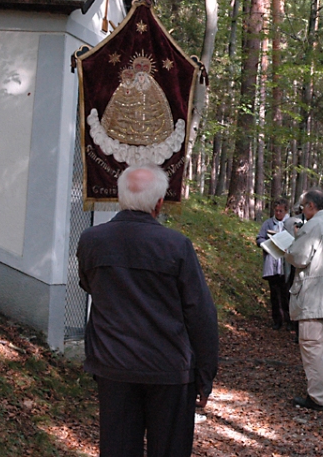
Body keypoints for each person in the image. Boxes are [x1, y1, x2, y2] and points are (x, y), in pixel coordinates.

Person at [77, 164, 219, 457]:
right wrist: (205, 376)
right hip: (169, 369)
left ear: (120, 198)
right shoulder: (176, 246)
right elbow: (200, 313)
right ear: (158, 203)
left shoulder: (91, 241)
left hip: (114, 365)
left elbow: (88, 284)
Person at [284, 189, 323, 411]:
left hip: (315, 294)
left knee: (312, 346)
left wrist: (288, 247)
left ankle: (319, 396)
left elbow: (300, 258)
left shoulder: (313, 226)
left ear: (311, 206)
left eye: (304, 207)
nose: (303, 211)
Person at [256, 198, 291, 330]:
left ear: (285, 211)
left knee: (286, 294)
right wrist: (265, 244)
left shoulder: (291, 223)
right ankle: (277, 320)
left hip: (286, 263)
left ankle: (289, 321)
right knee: (274, 294)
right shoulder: (268, 223)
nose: (278, 213)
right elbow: (259, 238)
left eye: (280, 211)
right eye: (276, 211)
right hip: (272, 263)